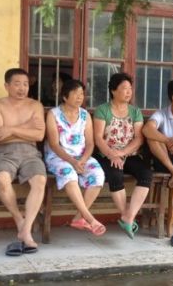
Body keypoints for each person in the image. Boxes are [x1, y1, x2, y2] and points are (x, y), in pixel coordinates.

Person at [0, 68, 47, 256]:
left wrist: (11, 130)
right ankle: (21, 223)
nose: (22, 88)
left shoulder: (35, 105)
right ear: (7, 86)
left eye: (25, 84)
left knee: (40, 181)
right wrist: (26, 127)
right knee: (3, 180)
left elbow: (39, 135)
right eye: (17, 84)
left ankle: (26, 230)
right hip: (3, 153)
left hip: (30, 152)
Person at [44, 79, 107, 236]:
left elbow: (91, 143)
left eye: (82, 94)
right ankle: (89, 218)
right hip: (58, 157)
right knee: (69, 174)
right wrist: (72, 162)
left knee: (98, 174)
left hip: (81, 156)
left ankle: (79, 217)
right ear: (65, 97)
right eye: (76, 94)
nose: (80, 97)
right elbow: (54, 144)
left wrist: (83, 160)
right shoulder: (53, 115)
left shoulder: (85, 115)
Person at [93, 73, 152, 239]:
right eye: (124, 89)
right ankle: (126, 216)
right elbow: (98, 138)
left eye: (130, 89)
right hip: (106, 154)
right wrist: (112, 155)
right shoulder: (102, 110)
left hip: (129, 154)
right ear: (113, 91)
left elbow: (139, 138)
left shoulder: (135, 112)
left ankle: (129, 216)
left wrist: (122, 153)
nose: (128, 92)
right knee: (115, 174)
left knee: (146, 174)